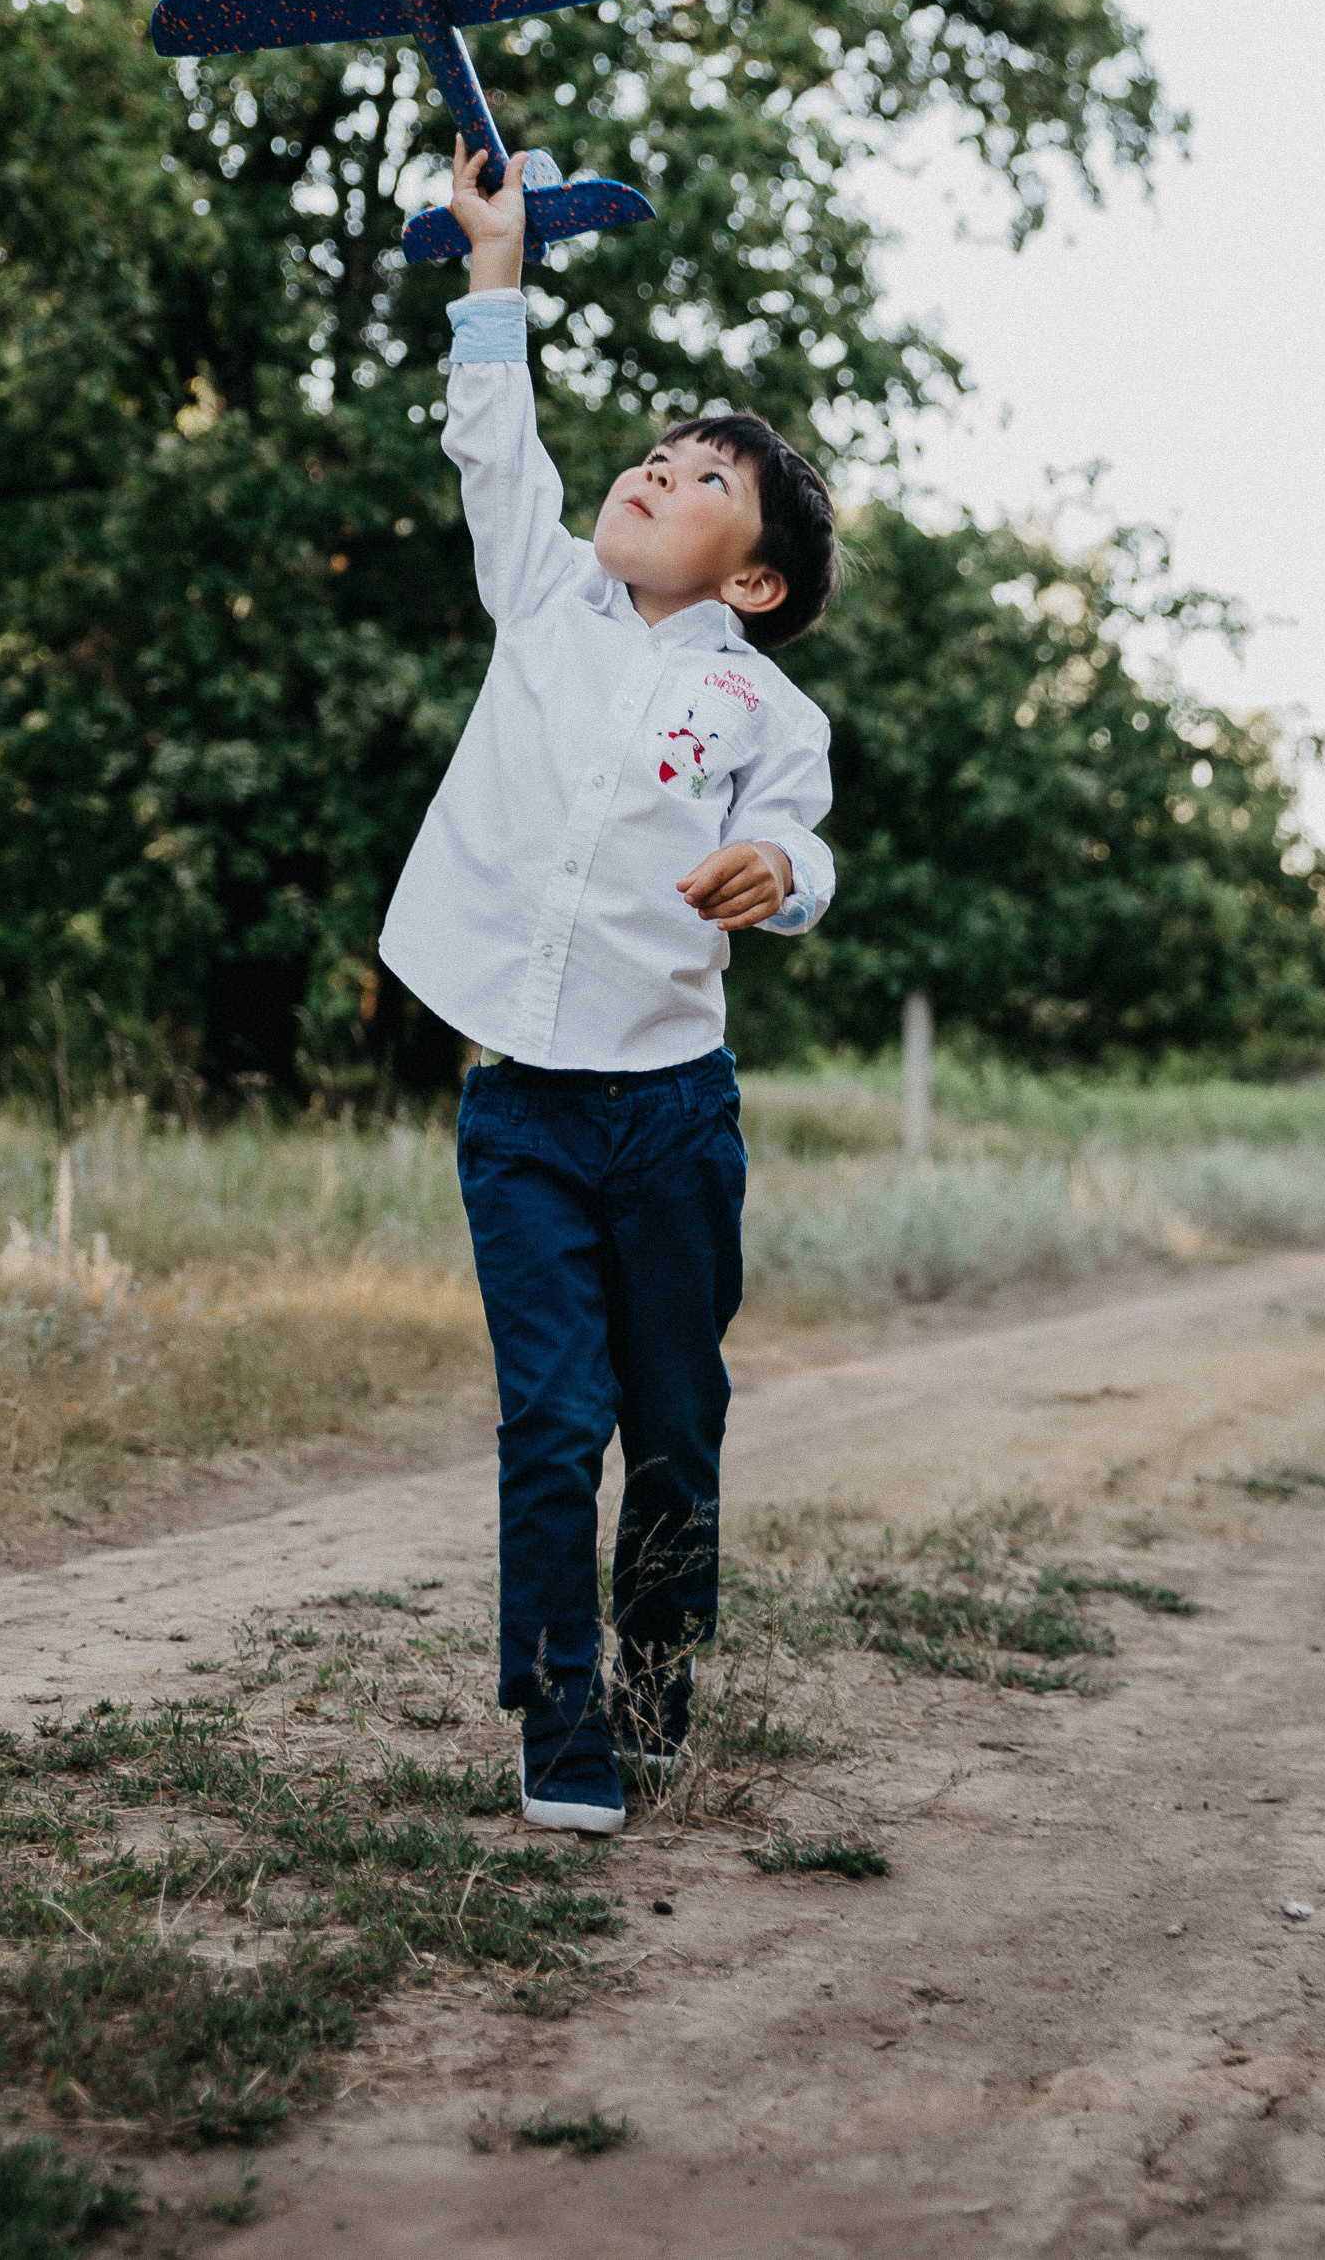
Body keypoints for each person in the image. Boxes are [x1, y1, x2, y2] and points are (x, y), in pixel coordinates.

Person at [380, 139, 842, 1834]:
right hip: (521, 1107)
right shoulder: (544, 599)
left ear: (754, 579)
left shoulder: (764, 717)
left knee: (672, 1417)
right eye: (650, 454)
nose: (651, 472)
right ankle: (557, 1708)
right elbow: (493, 439)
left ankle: (658, 1667)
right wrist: (493, 267)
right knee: (551, 1419)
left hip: (670, 1120)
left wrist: (777, 876)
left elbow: (802, 844)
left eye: (697, 479)